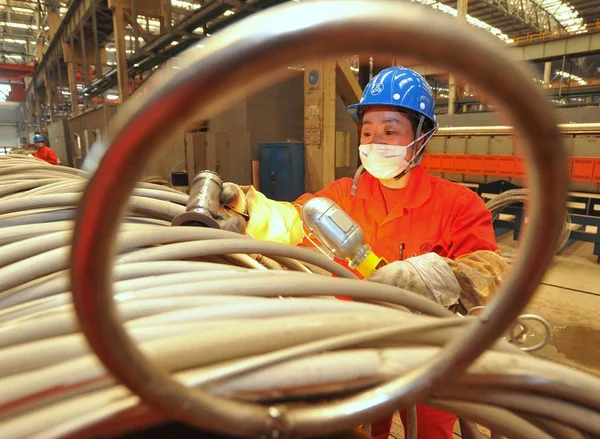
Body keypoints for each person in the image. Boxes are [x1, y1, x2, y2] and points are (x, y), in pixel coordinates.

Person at [219, 66, 508, 439]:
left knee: (430, 429)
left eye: (390, 131)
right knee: (354, 428)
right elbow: (294, 220)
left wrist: (429, 277)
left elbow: (489, 271)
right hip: (355, 346)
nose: (376, 142)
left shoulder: (458, 205)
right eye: (368, 131)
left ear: (421, 137)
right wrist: (249, 209)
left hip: (430, 351)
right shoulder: (343, 195)